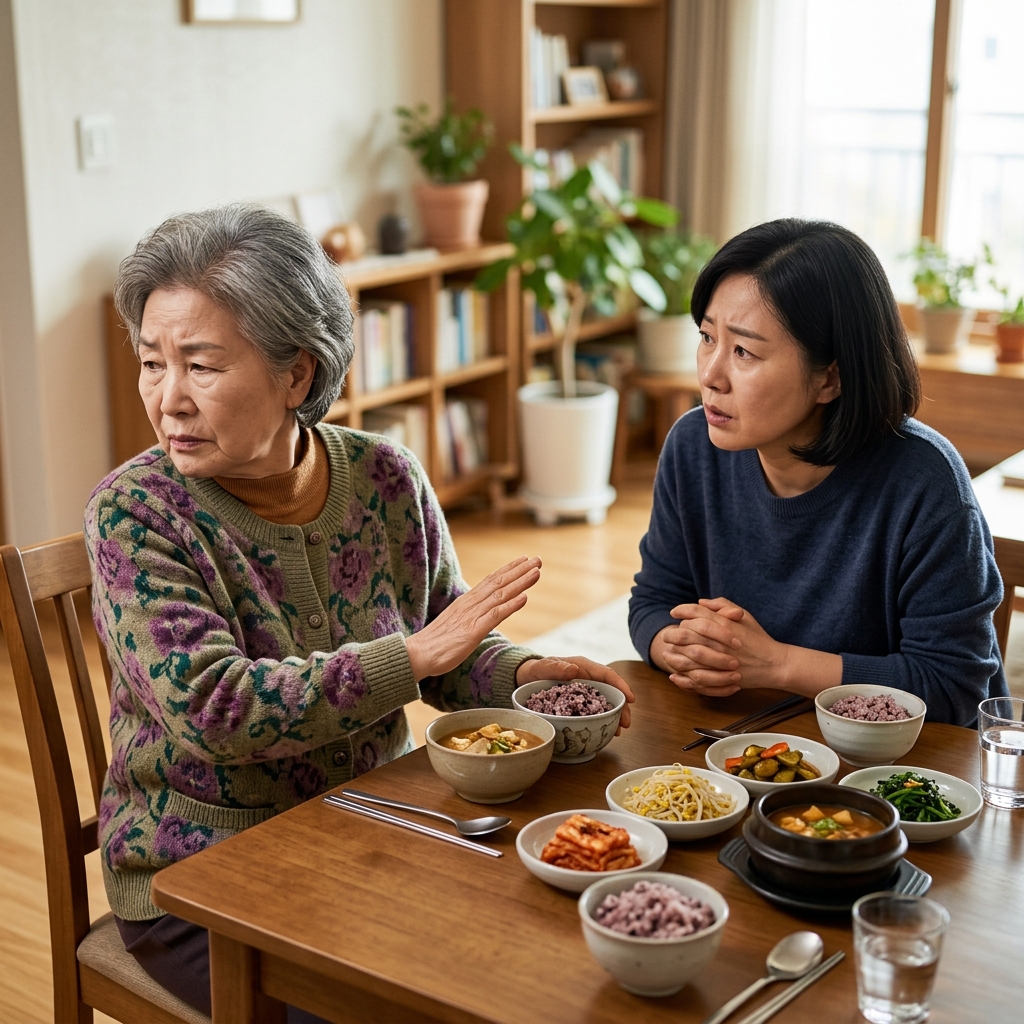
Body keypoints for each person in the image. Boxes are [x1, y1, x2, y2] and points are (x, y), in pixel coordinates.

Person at [86, 203, 633, 1019]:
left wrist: (524, 676)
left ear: (297, 375)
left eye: (199, 366)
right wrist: (413, 658)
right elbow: (214, 711)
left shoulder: (385, 476)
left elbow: (447, 635)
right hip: (202, 875)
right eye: (151, 363)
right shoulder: (136, 514)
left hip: (374, 826)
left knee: (543, 958)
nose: (169, 400)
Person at [628, 218, 1006, 727]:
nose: (711, 375)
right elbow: (654, 600)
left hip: (900, 758)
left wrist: (777, 664)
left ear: (831, 378)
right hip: (748, 733)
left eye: (743, 351)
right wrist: (674, 645)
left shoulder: (925, 480)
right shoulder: (692, 445)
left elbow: (951, 687)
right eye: (707, 337)